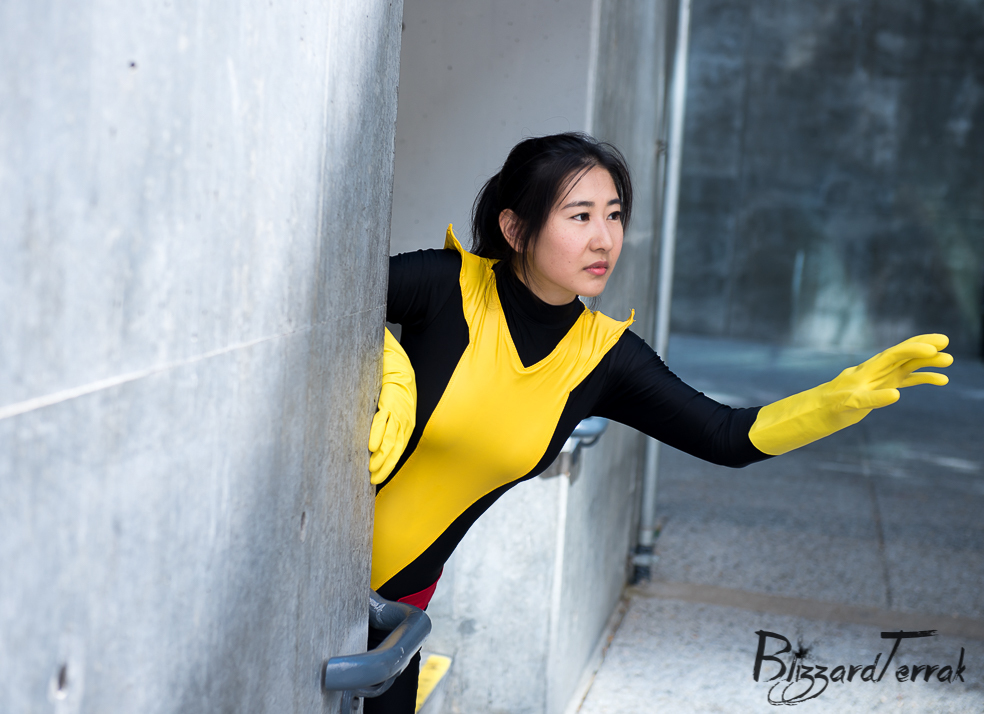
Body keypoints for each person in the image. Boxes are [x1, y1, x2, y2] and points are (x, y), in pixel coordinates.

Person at [363, 132, 952, 713]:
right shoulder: (445, 286)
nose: (604, 239)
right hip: (315, 553)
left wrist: (836, 401)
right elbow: (330, 296)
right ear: (516, 229)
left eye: (614, 215)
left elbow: (725, 436)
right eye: (580, 216)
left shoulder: (604, 358)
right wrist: (390, 363)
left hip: (394, 613)